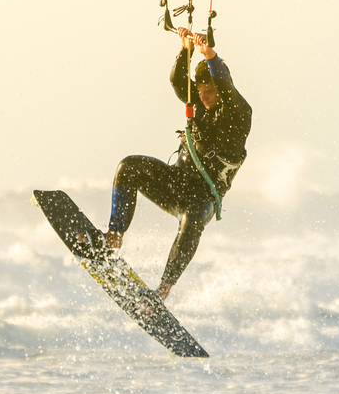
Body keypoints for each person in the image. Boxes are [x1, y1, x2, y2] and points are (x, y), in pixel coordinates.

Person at [102, 27, 252, 301]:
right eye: (200, 91)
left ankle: (163, 290)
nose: (203, 97)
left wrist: (210, 56)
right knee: (128, 167)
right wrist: (186, 50)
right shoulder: (199, 103)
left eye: (209, 91)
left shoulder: (239, 113)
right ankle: (114, 235)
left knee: (192, 221)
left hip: (202, 198)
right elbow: (177, 80)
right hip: (176, 183)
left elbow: (226, 88)